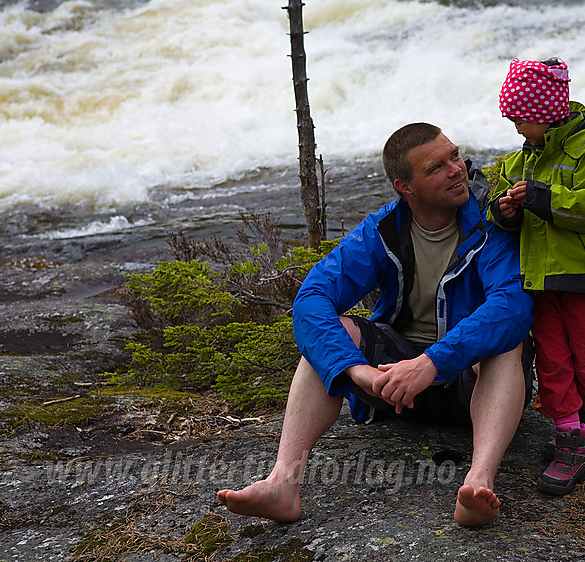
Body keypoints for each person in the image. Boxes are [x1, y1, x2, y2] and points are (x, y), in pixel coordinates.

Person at [217, 122, 534, 526]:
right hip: (396, 388)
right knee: (332, 335)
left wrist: (431, 363)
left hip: (472, 388)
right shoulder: (383, 230)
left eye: (455, 156)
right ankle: (283, 482)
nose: (457, 170)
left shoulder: (492, 222)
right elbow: (312, 299)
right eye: (436, 167)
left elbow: (512, 307)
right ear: (406, 187)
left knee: (504, 343)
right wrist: (359, 373)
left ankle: (477, 483)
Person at [487, 58, 585, 496]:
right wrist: (503, 212)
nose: (516, 128)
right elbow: (505, 217)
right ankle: (570, 436)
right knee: (552, 359)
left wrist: (542, 197)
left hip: (583, 276)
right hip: (540, 279)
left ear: (544, 113)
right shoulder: (517, 161)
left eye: (520, 119)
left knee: (583, 352)